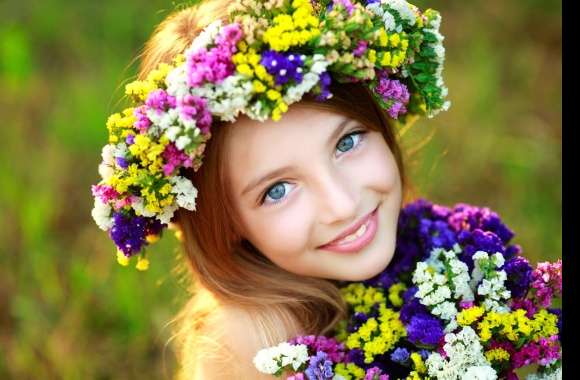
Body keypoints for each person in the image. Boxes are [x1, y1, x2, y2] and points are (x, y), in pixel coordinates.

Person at [91, 0, 449, 378]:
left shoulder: (432, 254)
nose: (342, 205)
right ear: (225, 220)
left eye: (347, 143)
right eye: (278, 190)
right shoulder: (259, 343)